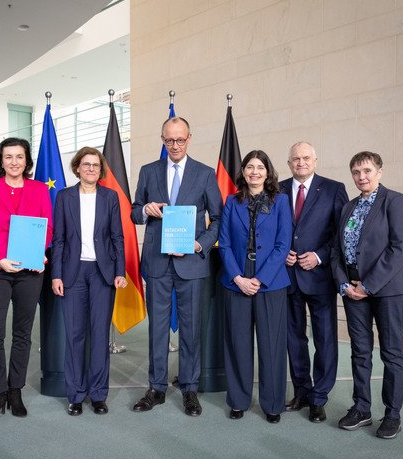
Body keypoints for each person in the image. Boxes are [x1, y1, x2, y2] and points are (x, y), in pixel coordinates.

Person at [131, 117, 222, 417]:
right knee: (157, 329)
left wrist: (201, 243)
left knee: (191, 330)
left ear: (189, 138)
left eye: (180, 140)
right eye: (169, 140)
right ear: (162, 139)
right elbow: (134, 212)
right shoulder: (148, 171)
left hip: (191, 263)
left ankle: (190, 388)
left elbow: (219, 219)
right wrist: (146, 209)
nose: (175, 145)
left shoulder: (205, 174)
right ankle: (156, 388)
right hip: (157, 262)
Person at [331, 151, 403, 439]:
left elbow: (399, 248)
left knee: (391, 352)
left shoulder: (395, 201)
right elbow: (337, 251)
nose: (361, 177)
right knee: (360, 350)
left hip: (388, 289)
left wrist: (368, 285)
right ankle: (361, 408)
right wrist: (345, 284)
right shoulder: (348, 207)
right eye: (355, 172)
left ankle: (392, 414)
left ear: (379, 171)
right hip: (352, 291)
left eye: (366, 170)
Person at [0, 137, 52, 425]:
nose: (14, 162)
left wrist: (38, 253)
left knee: (23, 333)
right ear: (1, 160)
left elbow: (47, 227)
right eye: (8, 157)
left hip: (29, 273)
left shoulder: (39, 190)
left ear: (27, 160)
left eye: (19, 156)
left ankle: (15, 389)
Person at [51, 147, 127, 416]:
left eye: (96, 165)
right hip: (73, 274)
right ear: (77, 168)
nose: (91, 169)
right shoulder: (64, 197)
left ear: (100, 169)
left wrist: (120, 271)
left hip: (102, 273)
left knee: (99, 335)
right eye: (86, 164)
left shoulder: (110, 197)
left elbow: (118, 237)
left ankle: (97, 395)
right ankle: (75, 394)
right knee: (74, 335)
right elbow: (58, 239)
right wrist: (56, 274)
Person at [218, 150, 291, 422]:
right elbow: (223, 244)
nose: (254, 172)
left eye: (260, 167)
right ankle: (238, 400)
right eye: (250, 167)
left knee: (272, 344)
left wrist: (260, 279)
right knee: (238, 343)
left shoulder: (281, 201)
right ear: (243, 172)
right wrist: (238, 278)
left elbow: (283, 245)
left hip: (269, 281)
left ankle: (272, 404)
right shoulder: (231, 202)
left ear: (268, 172)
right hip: (236, 279)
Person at [279, 142, 348, 423]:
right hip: (288, 277)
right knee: (294, 339)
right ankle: (302, 391)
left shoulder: (334, 189)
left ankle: (319, 397)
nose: (301, 162)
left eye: (306, 158)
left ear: (315, 160)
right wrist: (282, 253)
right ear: (289, 163)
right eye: (295, 159)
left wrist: (319, 257)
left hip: (319, 277)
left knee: (324, 339)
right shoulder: (278, 189)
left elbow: (341, 233)